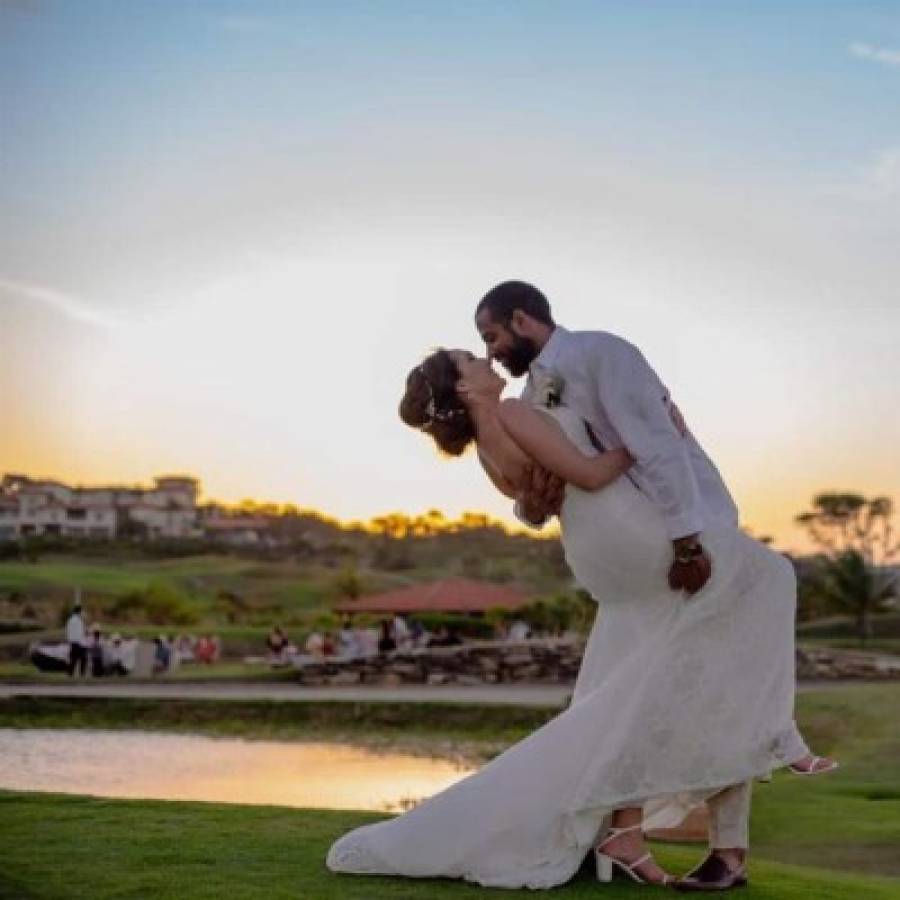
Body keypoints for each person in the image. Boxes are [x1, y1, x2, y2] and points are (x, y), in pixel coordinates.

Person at [327, 283, 835, 892]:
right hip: (629, 531)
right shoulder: (516, 406)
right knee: (768, 581)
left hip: (603, 543)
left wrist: (543, 500)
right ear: (464, 387)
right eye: (477, 352)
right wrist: (663, 465)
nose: (487, 355)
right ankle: (773, 741)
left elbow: (529, 499)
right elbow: (585, 474)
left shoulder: (587, 363)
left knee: (679, 671)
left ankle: (646, 831)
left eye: (488, 339)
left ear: (522, 320)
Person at [65, 603, 87, 678]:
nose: (83, 613)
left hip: (73, 642)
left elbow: (68, 631)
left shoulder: (71, 619)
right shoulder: (77, 620)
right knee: (83, 659)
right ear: (79, 611)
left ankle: (70, 675)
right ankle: (81, 675)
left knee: (73, 660)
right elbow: (79, 633)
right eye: (82, 611)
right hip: (78, 643)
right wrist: (82, 642)